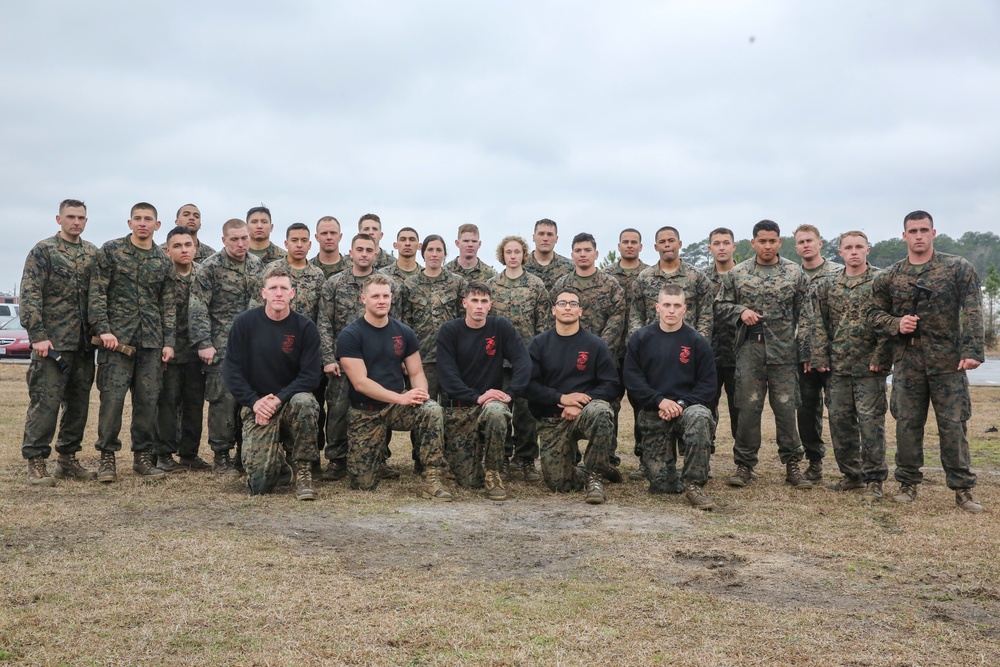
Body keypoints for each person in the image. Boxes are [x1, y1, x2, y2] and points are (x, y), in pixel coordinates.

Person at [868, 211, 985, 512]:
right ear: (903, 235)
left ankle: (963, 489)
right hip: (908, 360)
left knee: (953, 425)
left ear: (934, 233)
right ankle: (907, 483)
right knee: (907, 424)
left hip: (948, 361)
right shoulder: (889, 276)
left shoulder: (958, 268)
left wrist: (972, 351)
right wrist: (897, 324)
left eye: (924, 230)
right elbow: (872, 315)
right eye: (913, 231)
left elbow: (973, 309)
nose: (918, 236)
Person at [336, 274, 453, 500]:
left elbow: (417, 372)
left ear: (392, 298)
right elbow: (360, 383)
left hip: (397, 406)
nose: (381, 300)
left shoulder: (403, 332)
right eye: (375, 296)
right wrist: (400, 398)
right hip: (365, 411)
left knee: (431, 410)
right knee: (363, 484)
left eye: (386, 296)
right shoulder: (350, 335)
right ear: (363, 299)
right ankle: (375, 459)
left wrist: (419, 394)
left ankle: (432, 477)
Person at [716, 219, 813, 489]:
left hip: (784, 352)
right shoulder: (738, 273)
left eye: (772, 241)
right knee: (748, 409)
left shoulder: (795, 274)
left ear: (780, 242)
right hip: (750, 351)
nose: (767, 245)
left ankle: (793, 465)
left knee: (786, 410)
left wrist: (804, 353)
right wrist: (740, 311)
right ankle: (744, 465)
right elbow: (720, 305)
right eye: (762, 241)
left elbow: (805, 316)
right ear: (753, 243)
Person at [89, 202, 175, 481]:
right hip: (117, 343)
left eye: (148, 219)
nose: (142, 223)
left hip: (150, 343)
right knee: (112, 402)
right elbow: (97, 293)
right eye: (137, 218)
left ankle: (143, 458)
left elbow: (168, 304)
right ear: (129, 223)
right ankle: (107, 458)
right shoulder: (111, 251)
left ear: (157, 225)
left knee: (147, 402)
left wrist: (168, 341)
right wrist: (104, 329)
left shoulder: (163, 261)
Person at [224, 266, 323, 500]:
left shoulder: (305, 328)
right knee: (259, 487)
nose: (278, 293)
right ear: (263, 293)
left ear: (292, 293)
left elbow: (310, 376)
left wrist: (278, 399)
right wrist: (254, 402)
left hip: (289, 403)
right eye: (273, 288)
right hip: (257, 405)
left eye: (284, 288)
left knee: (306, 402)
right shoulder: (244, 323)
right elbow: (231, 371)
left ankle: (304, 474)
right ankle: (278, 462)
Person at [20, 199, 99, 486]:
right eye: (70, 217)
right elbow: (30, 295)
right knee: (45, 404)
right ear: (59, 219)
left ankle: (67, 459)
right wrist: (38, 335)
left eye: (80, 217)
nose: (76, 222)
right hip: (52, 345)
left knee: (79, 404)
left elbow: (99, 296)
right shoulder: (44, 251)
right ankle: (36, 460)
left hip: (83, 344)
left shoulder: (92, 253)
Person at [811, 231, 889, 497]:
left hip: (870, 367)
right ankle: (852, 475)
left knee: (871, 424)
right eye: (848, 247)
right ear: (840, 252)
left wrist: (881, 356)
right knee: (840, 422)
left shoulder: (881, 281)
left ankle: (875, 479)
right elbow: (819, 323)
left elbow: (889, 323)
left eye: (859, 247)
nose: (854, 251)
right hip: (838, 367)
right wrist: (820, 357)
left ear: (868, 250)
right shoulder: (829, 284)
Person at [624, 286, 717, 509]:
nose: (671, 311)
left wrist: (682, 403)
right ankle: (667, 473)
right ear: (657, 307)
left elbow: (708, 384)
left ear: (685, 309)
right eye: (667, 305)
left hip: (687, 408)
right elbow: (633, 379)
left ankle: (694, 484)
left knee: (701, 416)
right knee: (661, 486)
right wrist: (659, 401)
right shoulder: (641, 338)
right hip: (654, 411)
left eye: (677, 306)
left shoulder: (697, 341)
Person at [317, 234, 401, 480]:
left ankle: (379, 457)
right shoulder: (334, 283)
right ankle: (337, 460)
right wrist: (328, 358)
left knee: (380, 407)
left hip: (379, 360)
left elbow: (397, 324)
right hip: (343, 361)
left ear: (376, 254)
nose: (364, 254)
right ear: (350, 253)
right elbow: (324, 322)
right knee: (339, 409)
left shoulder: (389, 285)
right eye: (359, 249)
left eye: (369, 250)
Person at [524, 289, 620, 504]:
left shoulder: (596, 345)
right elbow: (527, 385)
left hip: (584, 413)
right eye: (562, 303)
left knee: (601, 411)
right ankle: (600, 467)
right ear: (553, 310)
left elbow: (611, 384)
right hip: (552, 418)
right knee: (560, 485)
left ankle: (596, 478)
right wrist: (560, 398)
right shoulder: (538, 344)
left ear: (580, 311)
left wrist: (581, 402)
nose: (567, 307)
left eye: (573, 304)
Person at [437, 282, 531, 500]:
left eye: (484, 301)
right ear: (464, 304)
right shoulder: (450, 331)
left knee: (498, 413)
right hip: (461, 408)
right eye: (474, 301)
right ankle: (466, 461)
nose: (479, 306)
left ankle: (493, 472)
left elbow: (522, 360)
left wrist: (510, 394)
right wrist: (477, 397)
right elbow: (447, 376)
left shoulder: (500, 327)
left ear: (490, 305)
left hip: (491, 405)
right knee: (468, 481)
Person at [189, 218, 264, 475]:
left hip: (252, 347)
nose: (241, 243)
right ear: (224, 240)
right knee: (222, 401)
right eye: (235, 239)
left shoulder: (257, 265)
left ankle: (245, 454)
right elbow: (198, 306)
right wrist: (204, 343)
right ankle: (221, 454)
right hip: (220, 347)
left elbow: (261, 305)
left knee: (250, 399)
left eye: (244, 238)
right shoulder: (210, 267)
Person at [552, 232, 626, 480]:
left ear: (596, 254)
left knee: (606, 407)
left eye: (587, 250)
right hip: (566, 357)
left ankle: (605, 460)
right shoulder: (561, 285)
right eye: (578, 250)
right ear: (572, 254)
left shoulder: (611, 284)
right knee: (566, 406)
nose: (583, 254)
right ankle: (569, 456)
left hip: (603, 356)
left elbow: (617, 318)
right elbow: (552, 319)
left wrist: (599, 348)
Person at [400, 234, 468, 470]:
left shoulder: (457, 283)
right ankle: (422, 458)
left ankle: (449, 457)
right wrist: (402, 357)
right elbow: (403, 322)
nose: (435, 254)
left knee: (451, 411)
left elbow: (464, 321)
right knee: (422, 409)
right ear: (423, 253)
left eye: (439, 250)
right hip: (420, 359)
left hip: (451, 359)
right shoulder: (409, 285)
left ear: (445, 254)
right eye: (430, 250)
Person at [488, 235, 552, 483]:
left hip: (527, 360)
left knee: (526, 413)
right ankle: (501, 459)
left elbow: (544, 325)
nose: (512, 256)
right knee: (501, 409)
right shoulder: (492, 286)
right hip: (497, 361)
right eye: (508, 252)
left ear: (524, 255)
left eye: (517, 252)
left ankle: (525, 460)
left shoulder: (536, 285)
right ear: (502, 255)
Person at [154, 226, 209, 473]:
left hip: (196, 351)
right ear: (168, 250)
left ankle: (189, 454)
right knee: (167, 404)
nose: (183, 250)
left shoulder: (203, 274)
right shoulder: (161, 276)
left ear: (195, 248)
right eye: (177, 246)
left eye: (188, 245)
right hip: (170, 351)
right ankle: (163, 454)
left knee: (194, 404)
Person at [794, 224, 842, 482]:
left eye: (810, 241)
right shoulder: (792, 274)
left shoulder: (838, 272)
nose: (806, 246)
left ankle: (852, 468)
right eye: (801, 242)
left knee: (841, 412)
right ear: (796, 247)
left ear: (820, 243)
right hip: (803, 356)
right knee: (806, 412)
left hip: (836, 355)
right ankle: (814, 463)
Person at [603, 228, 650, 460]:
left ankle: (644, 455)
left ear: (641, 247)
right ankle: (607, 455)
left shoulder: (650, 274)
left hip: (641, 352)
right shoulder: (606, 275)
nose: (629, 245)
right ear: (618, 246)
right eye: (625, 242)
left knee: (643, 404)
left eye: (634, 242)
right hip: (611, 351)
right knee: (610, 403)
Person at [628, 226, 713, 341]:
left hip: (686, 344)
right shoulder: (644, 278)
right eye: (662, 242)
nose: (667, 245)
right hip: (652, 344)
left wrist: (700, 342)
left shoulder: (696, 276)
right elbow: (636, 315)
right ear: (656, 247)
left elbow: (706, 314)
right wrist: (638, 341)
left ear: (680, 244)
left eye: (671, 241)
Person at [705, 227, 740, 450]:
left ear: (733, 247)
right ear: (710, 249)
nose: (722, 247)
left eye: (726, 243)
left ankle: (743, 460)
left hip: (739, 353)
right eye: (717, 244)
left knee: (741, 409)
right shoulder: (701, 278)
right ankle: (704, 451)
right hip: (709, 354)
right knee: (706, 406)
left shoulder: (745, 275)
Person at [266, 223, 326, 323]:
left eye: (304, 240)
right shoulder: (271, 270)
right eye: (294, 240)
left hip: (306, 333)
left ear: (309, 244)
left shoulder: (317, 274)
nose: (299, 245)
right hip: (275, 330)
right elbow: (257, 304)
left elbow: (322, 314)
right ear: (286, 243)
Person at [523, 218, 573, 290]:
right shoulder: (521, 266)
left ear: (556, 239)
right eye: (541, 234)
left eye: (550, 234)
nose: (545, 238)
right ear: (533, 237)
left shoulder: (570, 268)